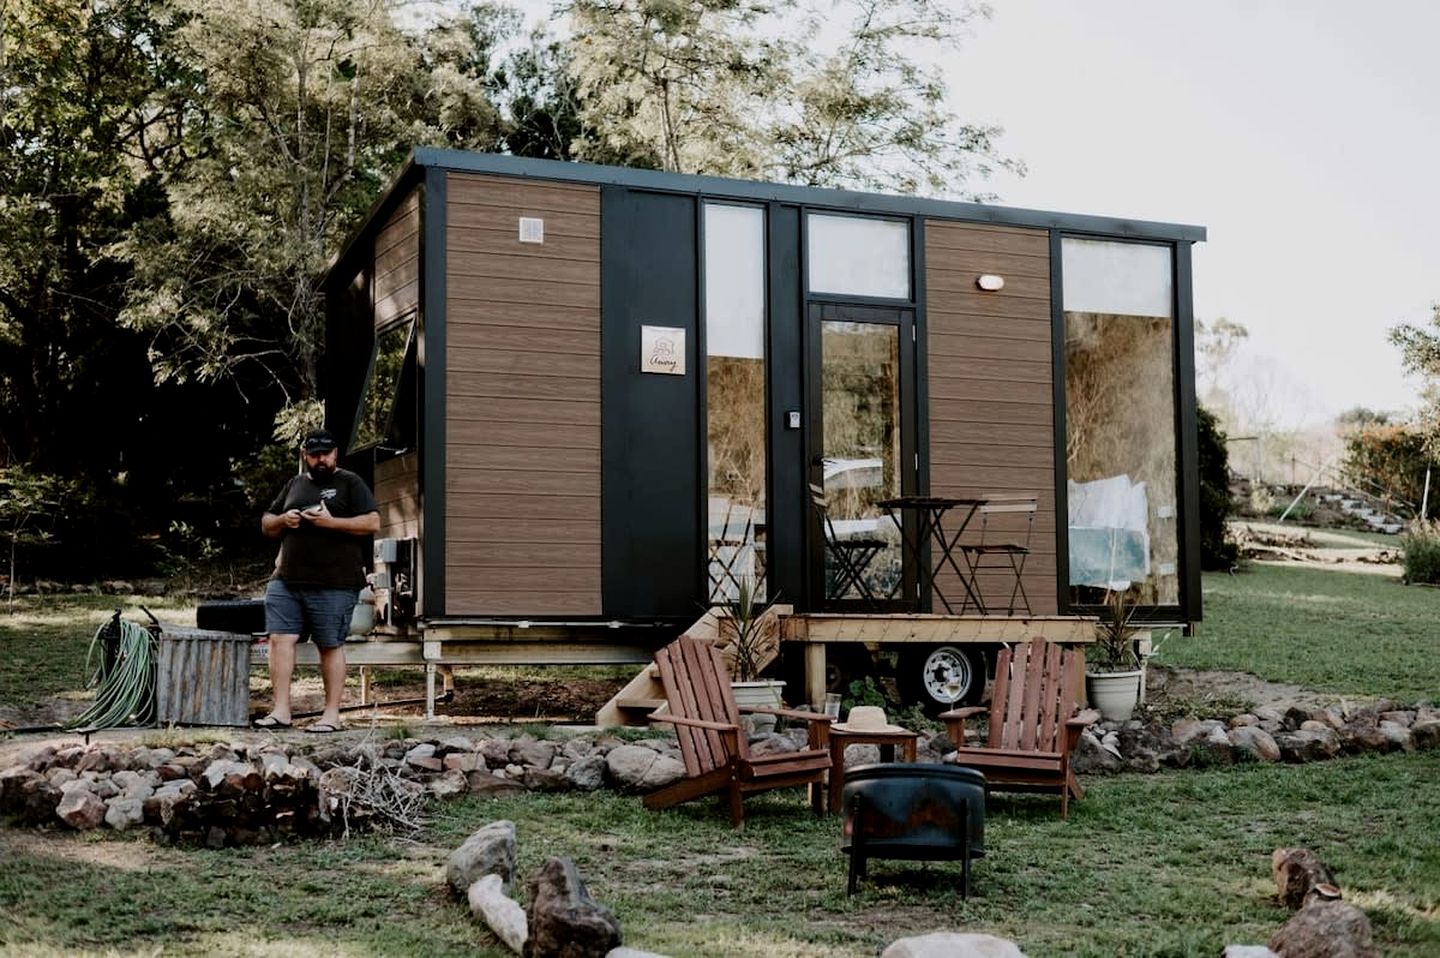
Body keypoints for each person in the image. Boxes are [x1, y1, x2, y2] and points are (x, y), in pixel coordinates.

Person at [254, 428, 379, 732]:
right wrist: (285, 519)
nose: (321, 459)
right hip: (286, 580)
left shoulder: (350, 482)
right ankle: (281, 711)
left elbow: (373, 521)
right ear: (305, 455)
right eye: (315, 454)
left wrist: (330, 522)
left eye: (326, 453)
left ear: (335, 454)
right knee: (279, 639)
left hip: (335, 582)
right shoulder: (295, 484)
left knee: (329, 644)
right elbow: (267, 523)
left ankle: (331, 716)